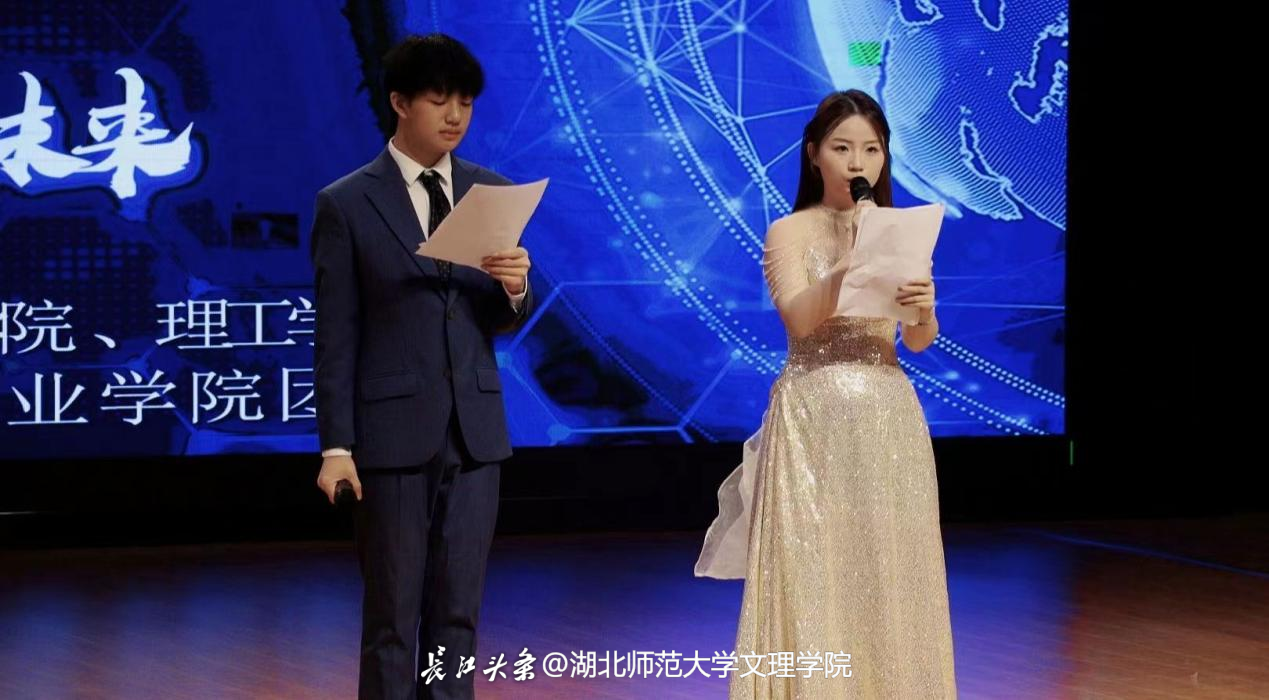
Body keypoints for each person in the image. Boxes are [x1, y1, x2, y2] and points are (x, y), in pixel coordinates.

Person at [695, 89, 957, 698]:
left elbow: (917, 340)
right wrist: (849, 266)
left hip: (888, 415)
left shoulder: (899, 229)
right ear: (814, 154)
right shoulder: (788, 231)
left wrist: (924, 309)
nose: (857, 162)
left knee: (892, 567)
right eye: (842, 148)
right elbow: (799, 320)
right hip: (813, 416)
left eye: (872, 149)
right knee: (815, 569)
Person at [309, 33, 534, 699]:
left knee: (458, 614)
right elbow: (336, 335)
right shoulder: (347, 203)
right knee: (392, 616)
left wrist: (516, 286)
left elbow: (499, 316)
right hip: (390, 438)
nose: (455, 115)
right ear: (400, 102)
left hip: (475, 434)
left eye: (465, 101)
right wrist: (336, 447)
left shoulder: (491, 191)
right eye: (439, 100)